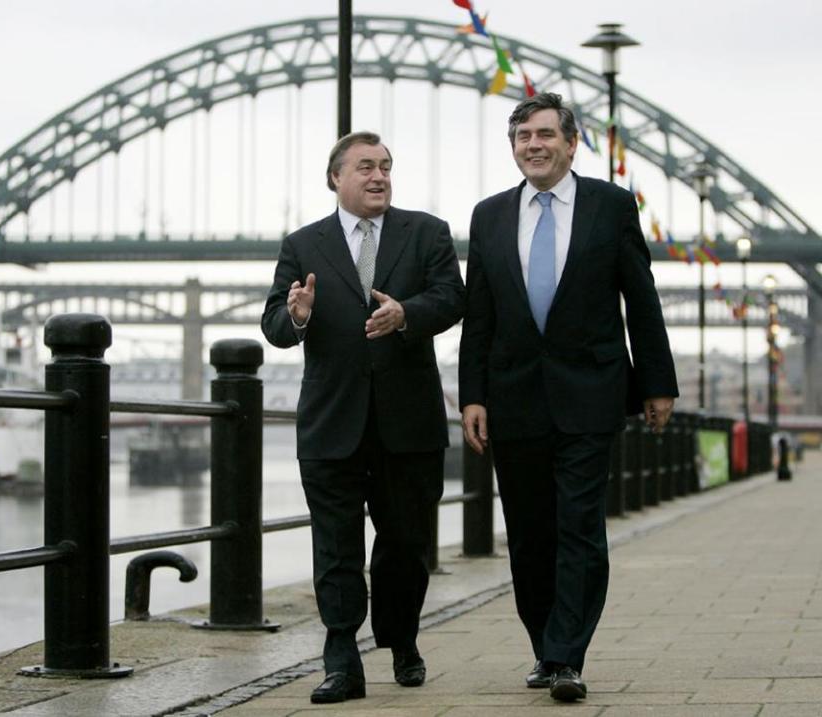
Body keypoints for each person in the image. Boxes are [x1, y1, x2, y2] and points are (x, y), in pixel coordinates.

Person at [458, 92, 678, 703]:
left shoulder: (611, 205)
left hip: (591, 392)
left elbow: (642, 295)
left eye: (546, 134)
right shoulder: (489, 215)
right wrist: (471, 394)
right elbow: (480, 315)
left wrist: (656, 382)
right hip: (513, 397)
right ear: (513, 147)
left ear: (571, 142)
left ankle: (566, 655)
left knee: (580, 526)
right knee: (529, 533)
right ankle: (543, 646)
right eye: (523, 135)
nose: (535, 144)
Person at [261, 131, 464, 704]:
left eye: (386, 167)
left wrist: (407, 314)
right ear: (336, 178)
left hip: (409, 424)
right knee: (336, 549)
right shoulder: (303, 244)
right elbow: (275, 323)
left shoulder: (426, 232)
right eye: (366, 167)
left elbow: (453, 297)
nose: (379, 177)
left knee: (405, 546)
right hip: (331, 424)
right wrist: (296, 316)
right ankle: (342, 660)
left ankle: (401, 639)